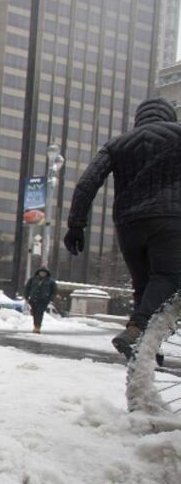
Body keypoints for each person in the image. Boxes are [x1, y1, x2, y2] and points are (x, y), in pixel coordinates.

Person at [64, 97, 181, 359]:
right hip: (170, 219)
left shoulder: (118, 143)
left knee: (143, 286)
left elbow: (87, 183)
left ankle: (146, 353)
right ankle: (137, 330)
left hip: (129, 225)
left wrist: (76, 225)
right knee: (169, 278)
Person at [23, 267, 56, 333]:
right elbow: (27, 288)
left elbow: (53, 291)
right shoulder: (32, 279)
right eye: (41, 272)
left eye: (44, 272)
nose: (43, 273)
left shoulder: (50, 281)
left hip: (43, 300)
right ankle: (35, 326)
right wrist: (26, 297)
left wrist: (50, 299)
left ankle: (37, 327)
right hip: (33, 299)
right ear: (38, 272)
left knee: (39, 312)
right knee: (34, 313)